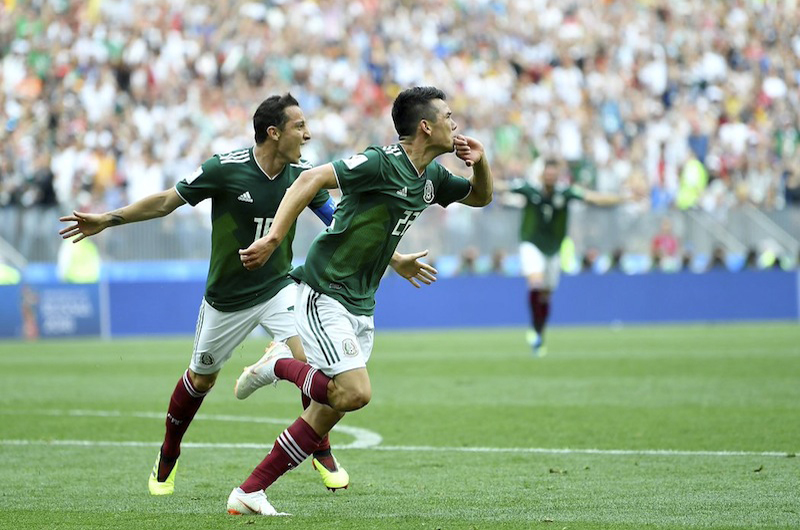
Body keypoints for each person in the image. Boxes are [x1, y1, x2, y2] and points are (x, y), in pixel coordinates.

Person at [58, 93, 435, 497]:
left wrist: (393, 258)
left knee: (315, 366)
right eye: (299, 127)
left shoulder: (302, 175)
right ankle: (169, 451)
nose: (307, 135)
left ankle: (320, 447)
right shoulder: (226, 169)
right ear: (273, 133)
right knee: (201, 380)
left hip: (279, 288)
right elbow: (167, 202)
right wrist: (107, 219)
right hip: (226, 298)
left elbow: (340, 222)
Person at [225, 86, 493, 516]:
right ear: (426, 126)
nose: (454, 124)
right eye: (447, 116)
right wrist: (274, 237)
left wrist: (481, 165)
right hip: (324, 288)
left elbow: (481, 197)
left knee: (327, 411)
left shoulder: (433, 178)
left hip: (361, 301)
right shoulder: (380, 162)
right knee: (354, 392)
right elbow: (312, 179)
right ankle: (279, 364)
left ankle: (249, 491)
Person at [504, 158, 627, 356]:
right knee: (535, 283)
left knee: (546, 293)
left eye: (554, 174)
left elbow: (593, 198)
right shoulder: (529, 189)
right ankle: (535, 328)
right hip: (531, 243)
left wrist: (623, 198)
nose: (550, 177)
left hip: (553, 248)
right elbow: (502, 187)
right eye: (547, 174)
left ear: (558, 176)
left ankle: (539, 331)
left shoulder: (565, 192)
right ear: (542, 175)